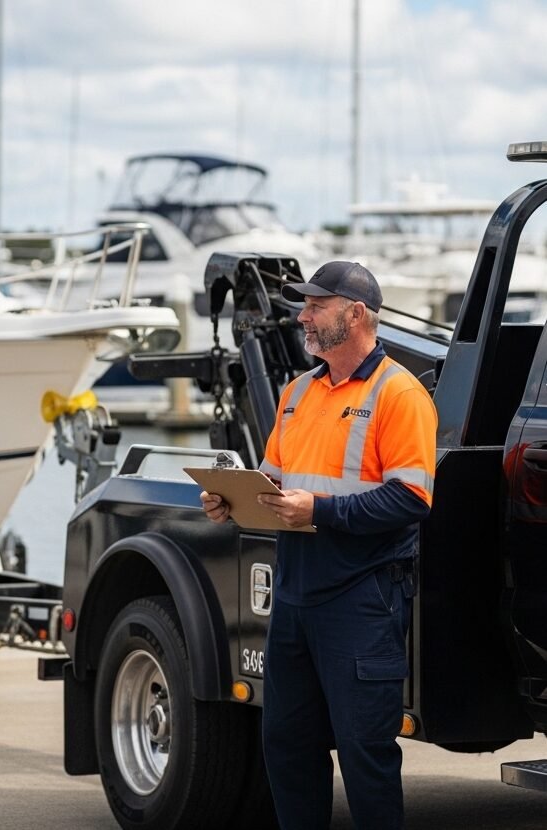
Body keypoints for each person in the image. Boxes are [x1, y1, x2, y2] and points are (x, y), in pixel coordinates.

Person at [201, 261, 437, 829]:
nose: (302, 316)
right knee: (286, 747)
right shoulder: (297, 392)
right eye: (304, 306)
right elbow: (273, 484)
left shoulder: (399, 395)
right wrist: (230, 502)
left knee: (365, 755)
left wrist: (321, 510)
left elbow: (412, 499)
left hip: (362, 600)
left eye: (315, 306)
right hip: (296, 599)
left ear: (354, 315)